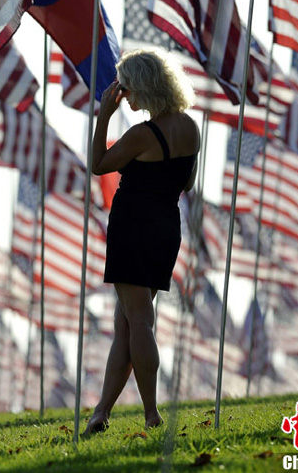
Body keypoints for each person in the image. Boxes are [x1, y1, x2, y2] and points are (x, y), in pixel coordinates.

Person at [84, 48, 199, 434]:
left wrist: (103, 117)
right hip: (165, 226)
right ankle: (101, 411)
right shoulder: (190, 128)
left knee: (139, 322)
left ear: (146, 87)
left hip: (133, 226)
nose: (125, 97)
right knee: (127, 324)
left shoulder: (141, 135)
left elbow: (99, 165)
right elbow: (186, 184)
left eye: (128, 89)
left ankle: (151, 413)